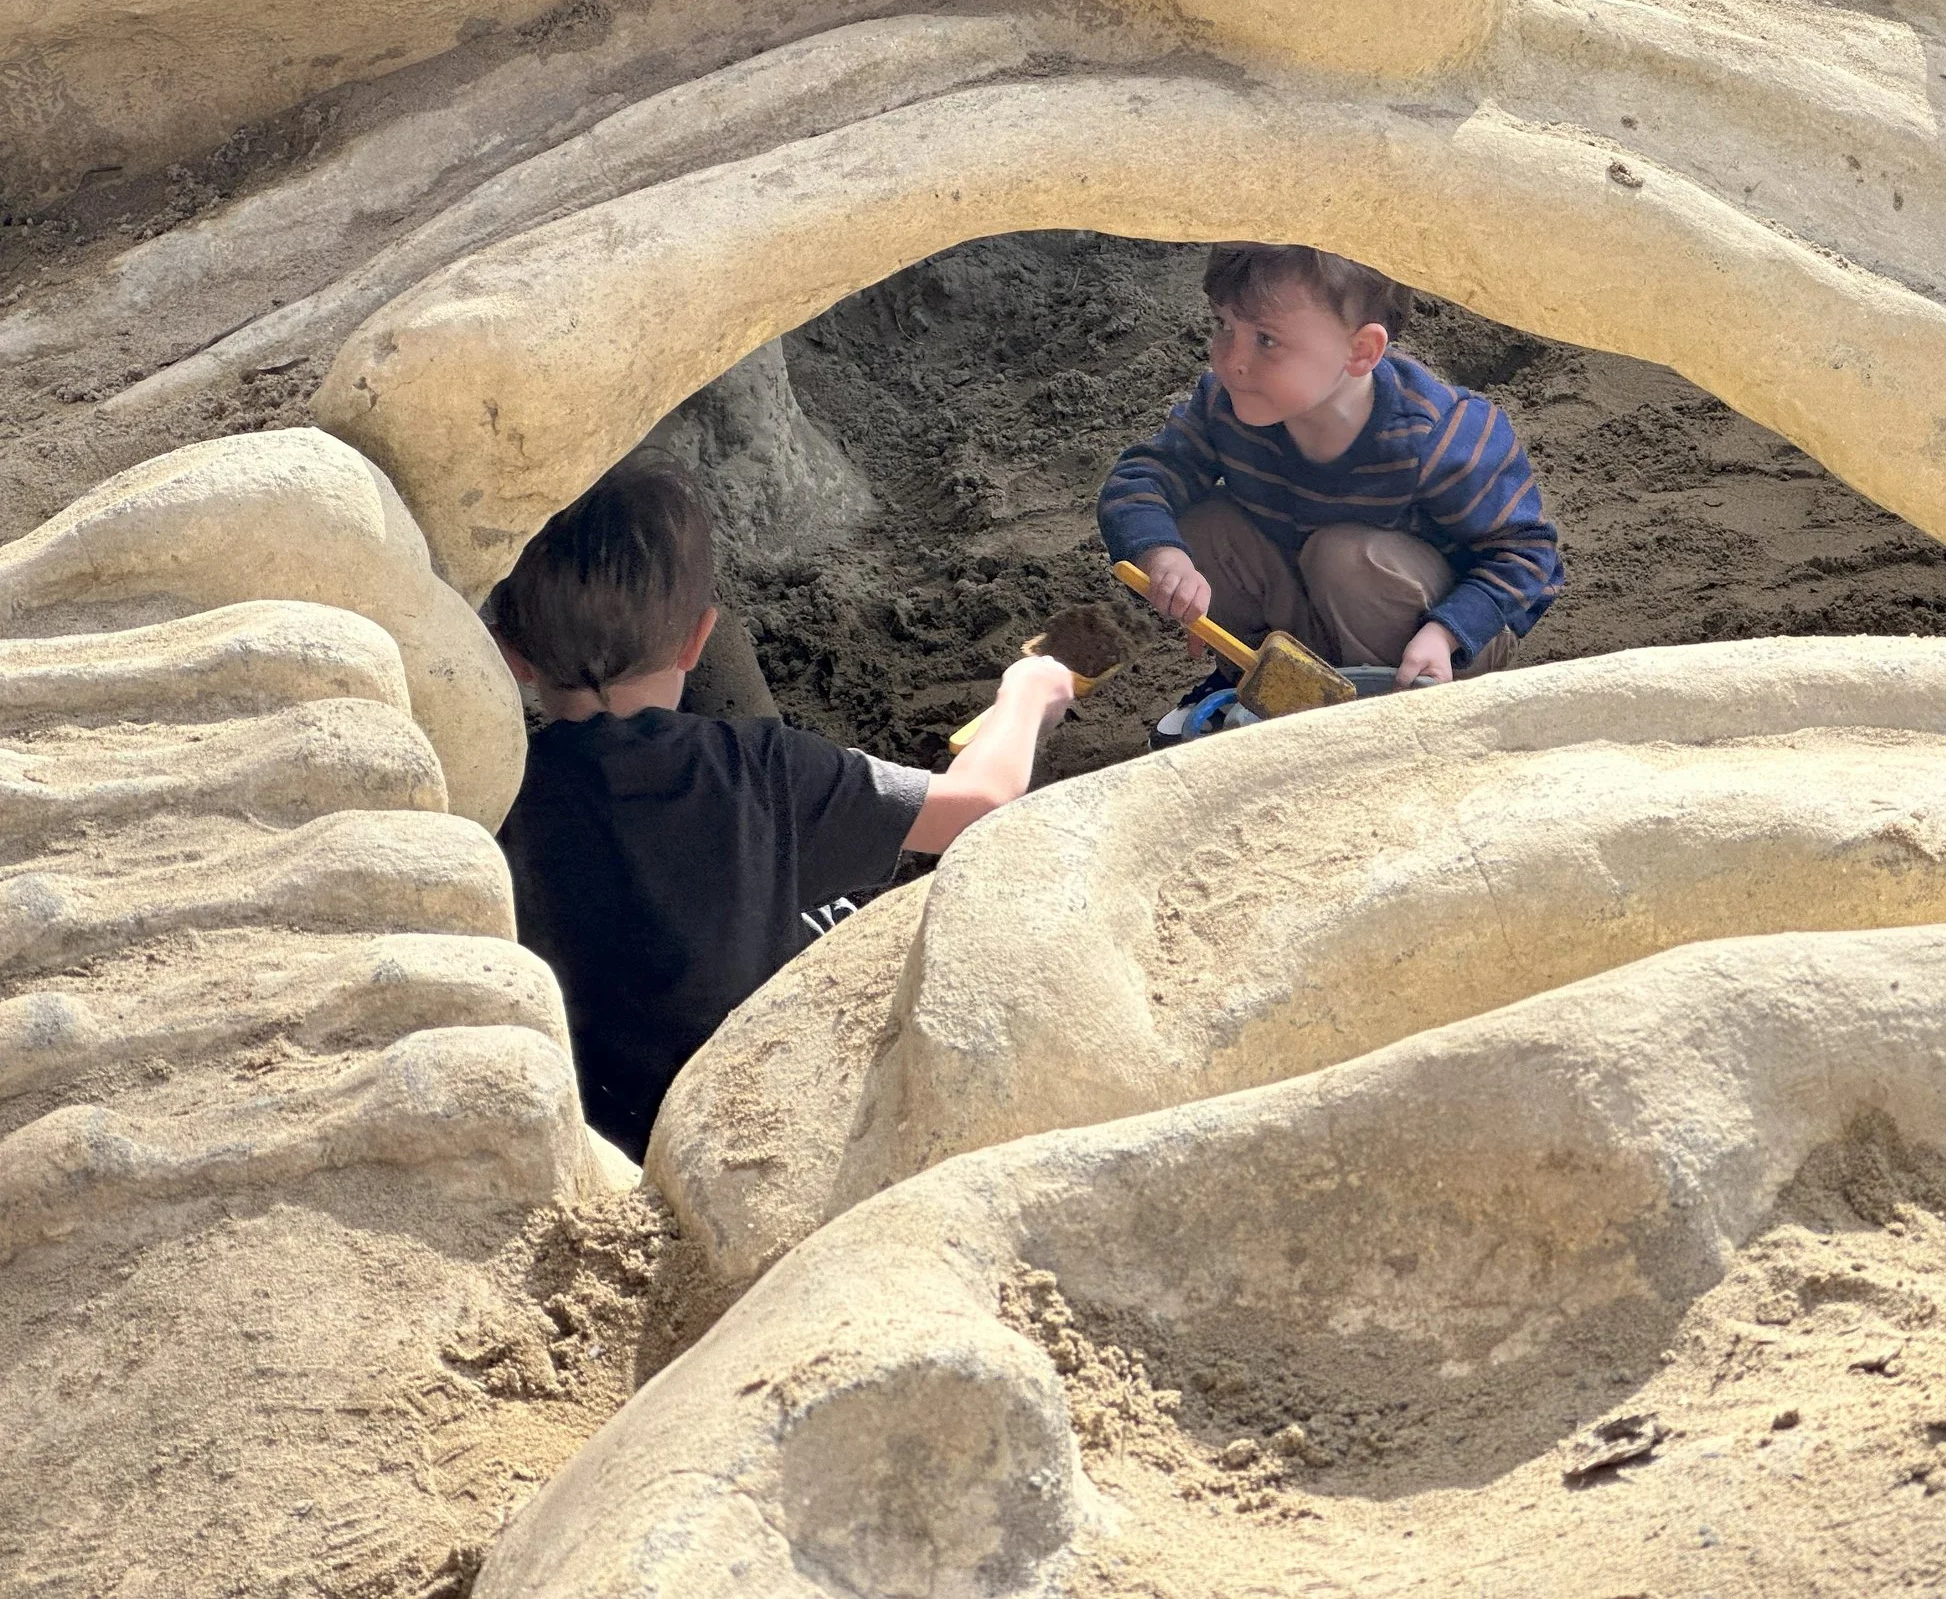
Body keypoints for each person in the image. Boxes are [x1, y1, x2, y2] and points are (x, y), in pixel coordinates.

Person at [488, 451, 1076, 1159]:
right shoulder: (761, 767)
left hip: (606, 1129)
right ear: (702, 637)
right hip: (756, 1101)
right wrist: (1026, 696)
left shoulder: (503, 795)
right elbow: (980, 801)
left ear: (513, 657)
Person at [1098, 243, 1562, 725]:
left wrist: (1446, 632)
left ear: (1360, 351)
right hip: (1311, 611)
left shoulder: (1443, 436)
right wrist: (1163, 556)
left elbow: (1526, 556)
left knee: (1344, 555)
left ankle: (1380, 715)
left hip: (1439, 645)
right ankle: (1263, 684)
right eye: (1224, 326)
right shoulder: (1222, 406)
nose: (1230, 360)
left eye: (1266, 341)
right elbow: (1141, 477)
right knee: (1200, 528)